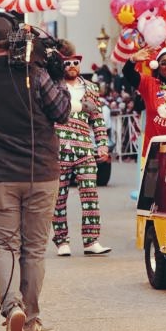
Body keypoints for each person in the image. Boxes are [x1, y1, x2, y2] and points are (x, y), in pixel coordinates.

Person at [0, 13, 71, 331]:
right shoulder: (35, 75)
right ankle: (33, 317)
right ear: (15, 42)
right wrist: (57, 74)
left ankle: (12, 310)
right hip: (41, 174)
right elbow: (62, 111)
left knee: (5, 245)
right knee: (34, 249)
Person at [51, 41, 112, 256]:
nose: (71, 66)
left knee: (90, 194)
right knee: (58, 197)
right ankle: (62, 241)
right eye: (67, 63)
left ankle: (91, 240)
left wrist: (102, 144)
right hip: (58, 149)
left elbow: (97, 119)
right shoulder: (53, 86)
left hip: (85, 149)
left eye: (75, 62)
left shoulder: (91, 88)